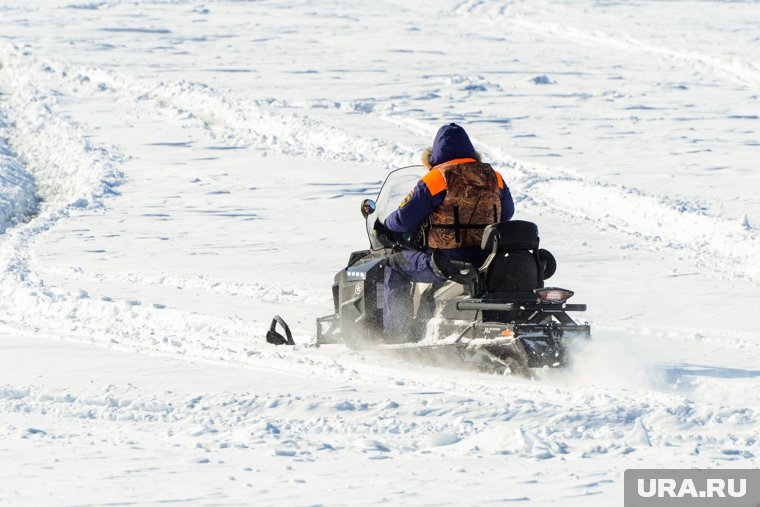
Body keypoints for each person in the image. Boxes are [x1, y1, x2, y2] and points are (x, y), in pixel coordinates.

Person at [380, 123, 515, 337]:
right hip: (488, 259)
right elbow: (507, 213)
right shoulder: (494, 176)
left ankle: (398, 333)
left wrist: (387, 224)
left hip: (447, 261)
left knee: (395, 265)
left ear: (435, 154)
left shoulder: (437, 177)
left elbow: (404, 220)